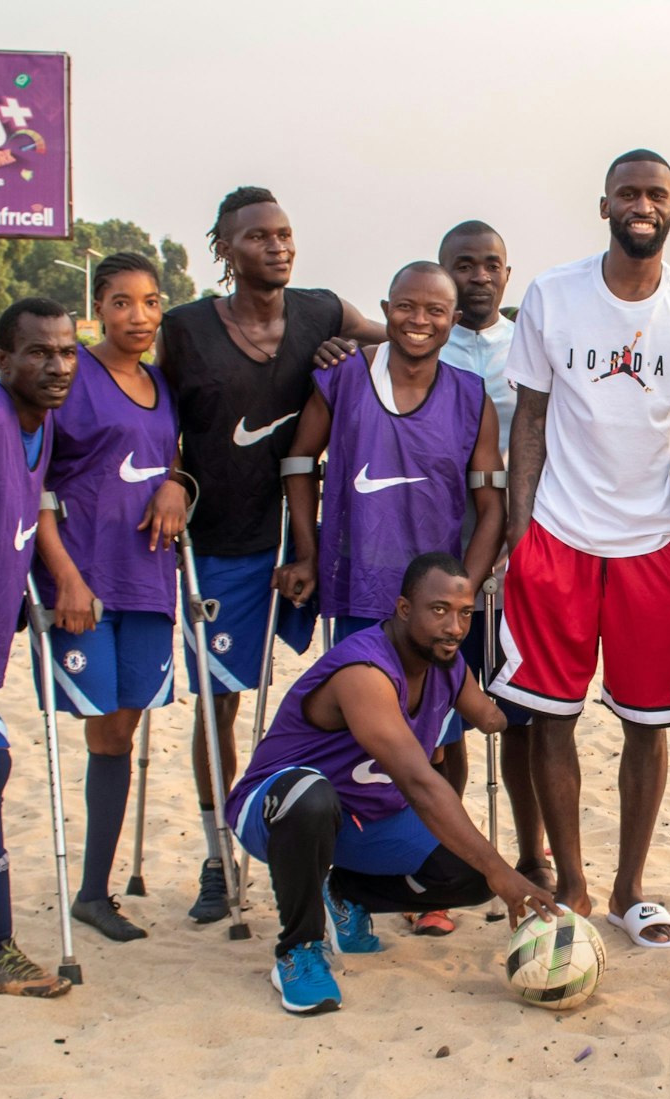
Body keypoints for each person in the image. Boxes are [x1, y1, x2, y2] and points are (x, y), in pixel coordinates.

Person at [491, 149, 670, 948]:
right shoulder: (554, 295)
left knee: (646, 722)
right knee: (550, 719)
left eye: (655, 194)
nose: (641, 205)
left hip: (655, 543)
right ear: (603, 207)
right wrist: (523, 533)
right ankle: (572, 883)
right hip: (559, 535)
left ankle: (630, 889)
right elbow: (528, 417)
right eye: (627, 193)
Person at [159, 186, 383, 924]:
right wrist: (165, 479)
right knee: (221, 701)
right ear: (224, 250)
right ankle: (219, 855)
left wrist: (355, 349)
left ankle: (343, 850)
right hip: (225, 538)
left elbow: (404, 335)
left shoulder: (320, 310)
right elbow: (150, 413)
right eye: (258, 237)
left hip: (322, 536)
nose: (278, 246)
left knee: (350, 696)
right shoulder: (186, 328)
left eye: (285, 234)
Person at [274, 260, 505, 936]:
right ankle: (347, 879)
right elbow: (297, 462)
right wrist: (308, 552)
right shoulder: (346, 379)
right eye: (407, 307)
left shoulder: (470, 395)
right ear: (386, 306)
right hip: (357, 585)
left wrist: (463, 592)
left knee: (440, 737)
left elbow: (490, 505)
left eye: (436, 311)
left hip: (432, 608)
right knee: (359, 740)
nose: (420, 321)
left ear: (453, 319)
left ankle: (424, 876)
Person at [226, 552, 556, 1014]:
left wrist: (548, 702)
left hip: (362, 819)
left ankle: (343, 893)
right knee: (313, 797)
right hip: (276, 810)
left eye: (464, 614)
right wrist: (505, 871)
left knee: (470, 876)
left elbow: (492, 717)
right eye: (438, 610)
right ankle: (297, 950)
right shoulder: (365, 671)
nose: (455, 627)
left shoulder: (449, 665)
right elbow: (419, 784)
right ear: (404, 609)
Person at [31, 253, 189, 942]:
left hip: (148, 580)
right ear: (98, 307)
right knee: (100, 727)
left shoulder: (160, 383)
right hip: (84, 580)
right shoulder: (72, 377)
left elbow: (169, 457)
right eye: (122, 303)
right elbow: (33, 485)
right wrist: (64, 575)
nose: (139, 316)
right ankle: (91, 889)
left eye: (150, 302)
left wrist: (178, 482)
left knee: (123, 729)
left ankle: (95, 894)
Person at [436, 220, 550, 906]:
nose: (478, 276)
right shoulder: (416, 342)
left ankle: (530, 852)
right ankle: (449, 854)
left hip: (519, 562)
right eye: (464, 265)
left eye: (491, 265)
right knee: (444, 721)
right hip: (438, 559)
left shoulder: (528, 345)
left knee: (521, 719)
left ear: (507, 274)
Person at [0, 298, 76, 997]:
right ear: (1, 360)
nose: (57, 364)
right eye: (39, 352)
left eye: (67, 351)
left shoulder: (40, 427)